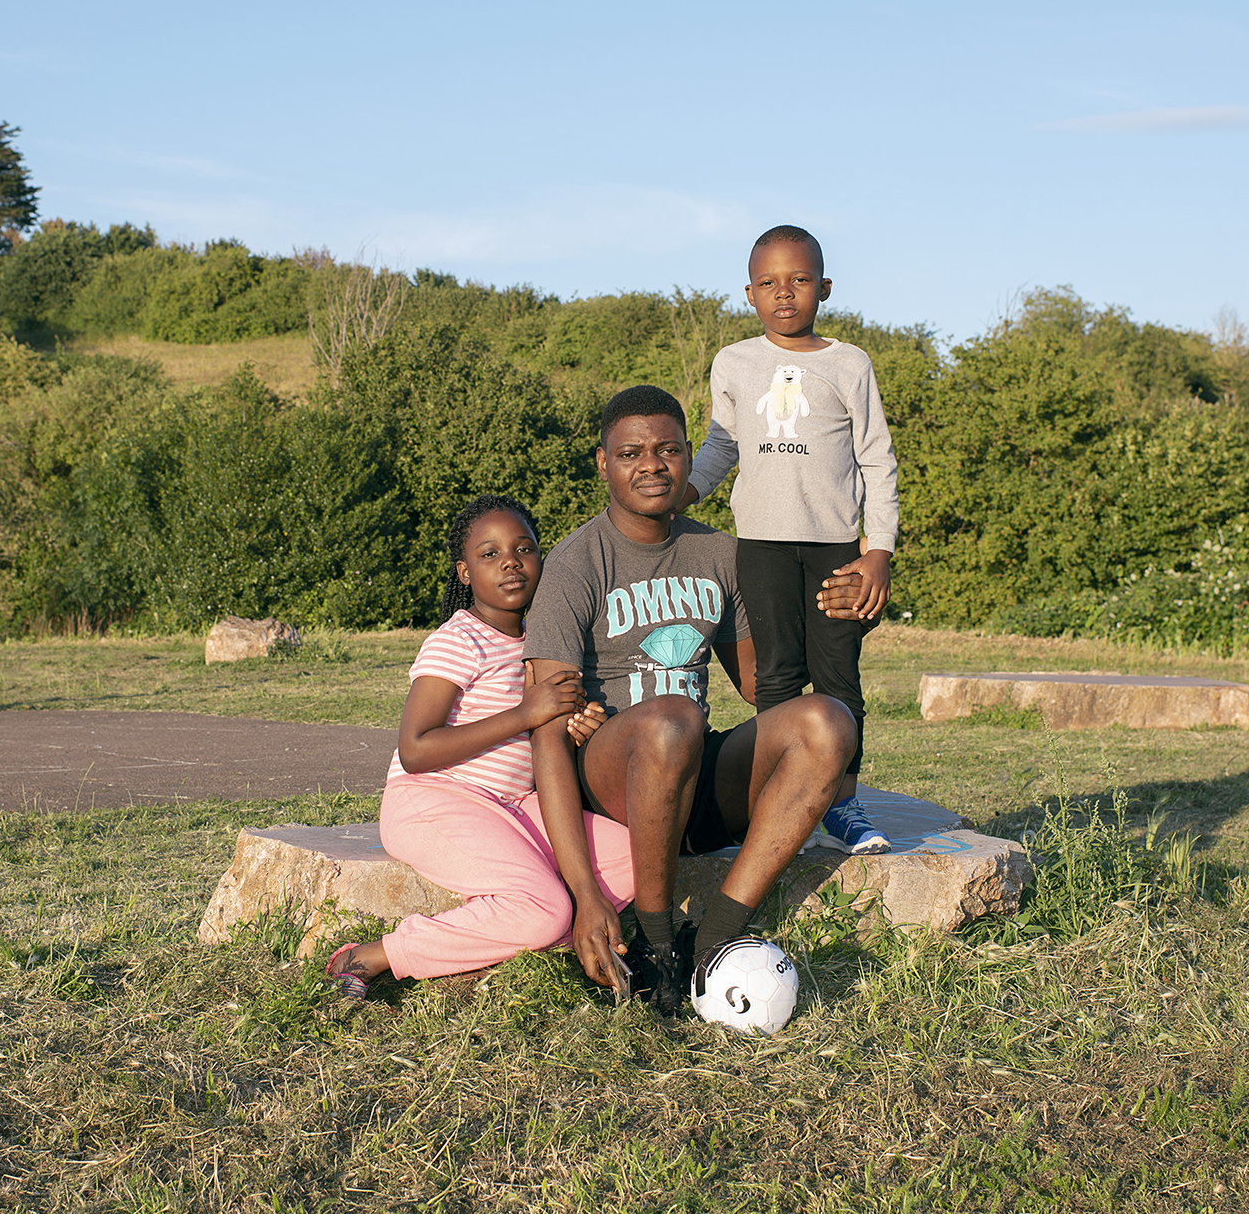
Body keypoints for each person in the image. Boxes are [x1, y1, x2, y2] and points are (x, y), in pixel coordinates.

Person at [525, 385, 858, 1019]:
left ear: (687, 458)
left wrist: (836, 617)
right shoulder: (575, 564)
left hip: (692, 774)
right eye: (631, 453)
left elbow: (762, 686)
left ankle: (714, 937)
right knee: (672, 720)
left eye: (669, 450)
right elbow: (545, 731)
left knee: (827, 722)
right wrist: (584, 891)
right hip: (614, 782)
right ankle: (655, 945)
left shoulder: (718, 553)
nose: (652, 465)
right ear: (603, 463)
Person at [324, 496, 629, 1000]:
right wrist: (525, 714)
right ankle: (374, 956)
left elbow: (546, 738)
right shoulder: (459, 639)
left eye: (524, 549)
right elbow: (416, 748)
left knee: (635, 859)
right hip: (436, 799)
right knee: (545, 908)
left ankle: (544, 931)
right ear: (464, 573)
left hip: (514, 805)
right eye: (490, 554)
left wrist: (578, 727)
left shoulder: (546, 641)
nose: (511, 562)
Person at [683, 224, 899, 854]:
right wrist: (684, 492)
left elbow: (877, 460)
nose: (785, 292)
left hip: (837, 550)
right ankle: (779, 802)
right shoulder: (734, 362)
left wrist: (878, 552)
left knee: (838, 674)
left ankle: (842, 805)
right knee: (774, 675)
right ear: (749, 293)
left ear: (824, 287)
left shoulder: (849, 364)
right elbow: (722, 444)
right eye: (769, 282)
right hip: (762, 545)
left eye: (800, 279)